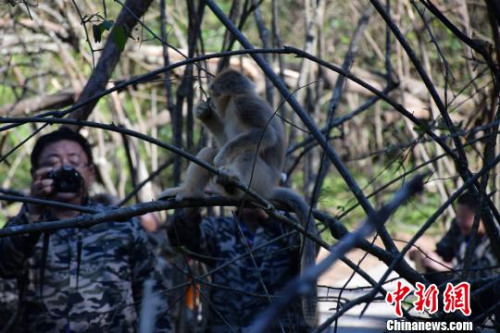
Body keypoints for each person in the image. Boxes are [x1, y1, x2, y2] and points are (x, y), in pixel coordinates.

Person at [0, 128, 172, 332]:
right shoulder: (23, 226)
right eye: (51, 164)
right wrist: (32, 211)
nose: (64, 169)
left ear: (90, 172)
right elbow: (5, 267)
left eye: (73, 162)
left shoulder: (120, 223)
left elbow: (150, 293)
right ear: (35, 174)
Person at [167, 205, 311, 332]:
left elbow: (307, 249)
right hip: (227, 327)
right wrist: (192, 207)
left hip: (280, 328)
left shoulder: (289, 228)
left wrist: (269, 216)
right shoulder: (219, 228)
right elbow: (180, 239)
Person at [409, 191, 500, 329]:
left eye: (465, 218)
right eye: (459, 217)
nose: (460, 222)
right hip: (458, 289)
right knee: (430, 271)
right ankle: (444, 316)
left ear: (480, 218)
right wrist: (422, 254)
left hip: (485, 293)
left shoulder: (495, 235)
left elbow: (486, 274)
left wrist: (447, 267)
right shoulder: (459, 226)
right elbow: (442, 251)